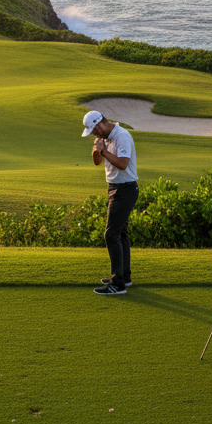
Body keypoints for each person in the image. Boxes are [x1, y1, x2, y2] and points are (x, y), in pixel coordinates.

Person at [83, 109, 138, 295]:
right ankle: (125, 277)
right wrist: (96, 150)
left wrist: (104, 151)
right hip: (115, 188)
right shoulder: (104, 138)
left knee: (111, 234)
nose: (94, 134)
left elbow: (123, 163)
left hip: (125, 189)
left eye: (94, 131)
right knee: (120, 234)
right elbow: (97, 162)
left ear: (100, 125)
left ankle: (117, 283)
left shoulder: (122, 136)